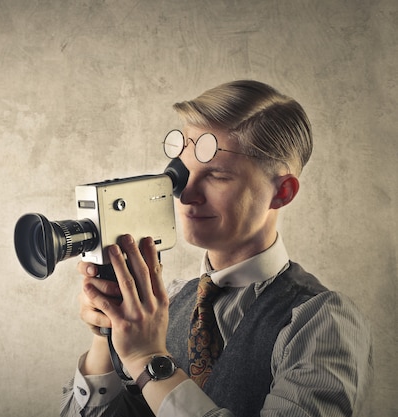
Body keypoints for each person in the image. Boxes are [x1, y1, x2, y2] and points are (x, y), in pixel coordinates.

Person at [59, 80, 373, 417]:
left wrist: (147, 360)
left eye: (217, 175)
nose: (186, 194)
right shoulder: (168, 300)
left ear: (283, 192)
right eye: (182, 174)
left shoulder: (323, 321)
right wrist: (107, 333)